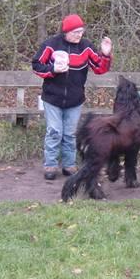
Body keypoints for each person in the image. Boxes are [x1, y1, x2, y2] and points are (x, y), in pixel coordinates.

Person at [32, 14, 112, 180]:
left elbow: (99, 69)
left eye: (81, 31)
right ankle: (50, 165)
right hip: (52, 98)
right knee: (54, 131)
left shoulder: (86, 47)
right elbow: (37, 65)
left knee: (69, 134)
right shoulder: (51, 45)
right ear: (66, 31)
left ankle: (69, 165)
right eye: (75, 32)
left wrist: (105, 54)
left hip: (75, 99)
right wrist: (53, 70)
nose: (79, 35)